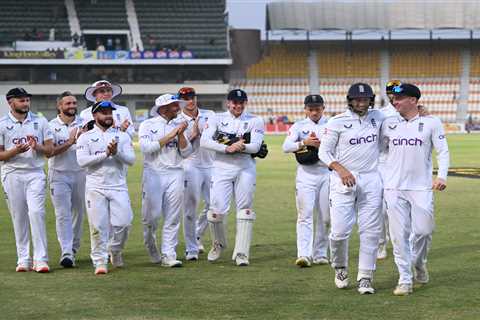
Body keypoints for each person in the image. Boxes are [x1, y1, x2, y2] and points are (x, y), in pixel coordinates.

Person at [380, 83, 449, 295]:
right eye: (393, 99)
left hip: (421, 187)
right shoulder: (387, 123)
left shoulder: (431, 122)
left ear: (413, 100)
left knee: (423, 231)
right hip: (393, 187)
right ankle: (405, 279)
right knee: (399, 236)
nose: (394, 102)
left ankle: (419, 263)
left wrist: (442, 176)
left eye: (399, 99)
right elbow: (380, 151)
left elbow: (443, 151)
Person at [319, 83, 385, 294]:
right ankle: (340, 267)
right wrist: (341, 169)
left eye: (364, 99)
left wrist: (421, 111)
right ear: (350, 100)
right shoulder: (337, 121)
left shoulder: (379, 117)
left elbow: (401, 115)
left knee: (370, 231)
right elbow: (324, 152)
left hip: (371, 179)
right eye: (357, 99)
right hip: (342, 180)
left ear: (370, 100)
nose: (361, 103)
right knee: (338, 232)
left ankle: (366, 276)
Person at [200, 89, 266, 266]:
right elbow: (204, 141)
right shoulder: (216, 118)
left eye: (241, 102)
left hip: (245, 168)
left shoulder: (255, 120)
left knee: (245, 210)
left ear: (246, 103)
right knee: (215, 212)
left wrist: (240, 147)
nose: (238, 105)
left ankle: (242, 253)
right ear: (228, 103)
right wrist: (227, 148)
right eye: (234, 103)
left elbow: (256, 146)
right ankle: (218, 244)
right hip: (221, 168)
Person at [76, 101, 135, 275]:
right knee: (98, 226)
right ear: (95, 116)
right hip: (95, 186)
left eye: (110, 112)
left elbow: (131, 160)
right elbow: (82, 162)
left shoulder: (122, 136)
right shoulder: (85, 137)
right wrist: (106, 154)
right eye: (103, 113)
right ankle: (99, 261)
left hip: (118, 186)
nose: (108, 116)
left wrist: (116, 153)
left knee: (124, 223)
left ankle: (115, 249)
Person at [0, 88, 53, 272]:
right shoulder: (2, 124)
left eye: (27, 100)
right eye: (21, 100)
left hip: (35, 173)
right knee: (19, 216)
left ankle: (41, 259)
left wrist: (36, 146)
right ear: (10, 102)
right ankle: (23, 259)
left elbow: (50, 151)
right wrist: (16, 151)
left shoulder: (40, 121)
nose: (25, 103)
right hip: (11, 173)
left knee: (36, 213)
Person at [139, 94, 192, 267]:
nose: (178, 107)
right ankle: (151, 246)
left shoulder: (181, 125)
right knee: (150, 219)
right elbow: (146, 149)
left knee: (173, 217)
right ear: (163, 108)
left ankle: (169, 254)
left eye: (178, 104)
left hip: (176, 172)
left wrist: (181, 134)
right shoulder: (148, 125)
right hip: (153, 174)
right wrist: (172, 135)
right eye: (174, 105)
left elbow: (186, 152)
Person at [282, 94, 330, 267]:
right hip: (306, 175)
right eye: (311, 109)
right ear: (305, 109)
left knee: (326, 217)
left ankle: (320, 253)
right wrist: (304, 142)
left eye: (317, 108)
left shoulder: (332, 124)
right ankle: (304, 254)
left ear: (323, 108)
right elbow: (286, 146)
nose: (314, 112)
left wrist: (320, 145)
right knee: (305, 215)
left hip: (327, 174)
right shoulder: (299, 126)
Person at [47, 91, 86, 268]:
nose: (72, 106)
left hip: (81, 173)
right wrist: (70, 142)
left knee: (79, 213)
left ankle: (74, 248)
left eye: (74, 103)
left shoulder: (85, 124)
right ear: (59, 106)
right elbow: (50, 152)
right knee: (62, 214)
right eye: (68, 103)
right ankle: (67, 252)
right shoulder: (50, 126)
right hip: (59, 174)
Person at [177, 87, 216, 260]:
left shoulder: (210, 114)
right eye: (185, 99)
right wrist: (193, 135)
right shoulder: (177, 120)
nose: (190, 101)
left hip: (211, 164)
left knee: (215, 206)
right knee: (189, 209)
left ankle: (197, 234)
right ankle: (191, 249)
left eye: (192, 97)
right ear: (180, 101)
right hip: (190, 165)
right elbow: (179, 149)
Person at [377, 80, 401, 260]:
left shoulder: (412, 112)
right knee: (381, 209)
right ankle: (381, 243)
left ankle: (401, 242)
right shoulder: (381, 114)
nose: (395, 96)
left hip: (403, 165)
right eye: (392, 92)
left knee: (399, 207)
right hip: (383, 164)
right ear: (387, 94)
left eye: (398, 92)